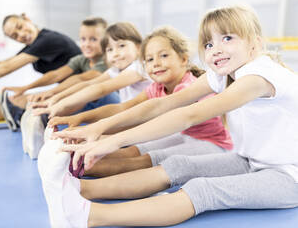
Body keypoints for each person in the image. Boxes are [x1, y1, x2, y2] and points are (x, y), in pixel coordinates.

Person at [41, 5, 298, 227]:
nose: (216, 49)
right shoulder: (223, 75)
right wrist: (98, 128)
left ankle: (87, 216)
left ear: (255, 43)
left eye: (227, 38)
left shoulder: (259, 76)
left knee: (202, 190)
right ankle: (78, 189)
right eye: (209, 43)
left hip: (287, 176)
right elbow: (163, 104)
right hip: (249, 160)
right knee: (180, 166)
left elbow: (190, 114)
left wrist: (113, 141)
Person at [49, 26, 232, 177]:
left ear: (184, 59)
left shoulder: (189, 87)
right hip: (181, 135)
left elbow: (151, 119)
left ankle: (72, 169)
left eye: (164, 56)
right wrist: (81, 122)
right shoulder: (156, 88)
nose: (156, 63)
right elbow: (124, 107)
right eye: (149, 59)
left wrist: (104, 135)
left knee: (143, 160)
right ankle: (76, 159)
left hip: (213, 145)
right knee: (133, 150)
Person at [0, 17, 117, 131]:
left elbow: (81, 78)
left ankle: (44, 115)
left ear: (105, 41)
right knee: (65, 94)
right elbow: (56, 74)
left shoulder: (108, 60)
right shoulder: (81, 59)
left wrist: (52, 93)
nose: (86, 44)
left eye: (93, 39)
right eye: (83, 39)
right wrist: (25, 88)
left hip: (113, 107)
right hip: (93, 108)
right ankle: (38, 114)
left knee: (83, 90)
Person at [32, 22, 152, 118]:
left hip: (145, 120)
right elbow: (89, 83)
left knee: (96, 97)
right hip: (132, 116)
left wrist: (62, 104)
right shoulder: (116, 70)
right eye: (110, 49)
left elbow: (101, 89)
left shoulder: (138, 67)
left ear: (138, 47)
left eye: (121, 46)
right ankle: (50, 114)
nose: (115, 54)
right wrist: (55, 98)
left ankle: (53, 114)